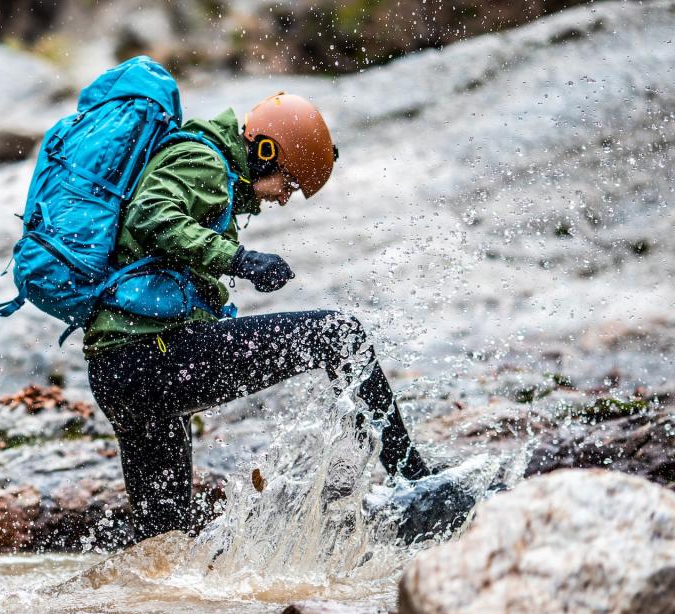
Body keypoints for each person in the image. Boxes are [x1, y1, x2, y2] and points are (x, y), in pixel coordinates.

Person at [85, 92, 436, 541]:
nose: (285, 200)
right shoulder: (202, 159)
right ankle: (414, 478)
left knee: (163, 545)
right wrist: (240, 259)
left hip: (122, 373)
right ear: (266, 150)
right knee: (338, 335)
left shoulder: (204, 165)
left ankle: (140, 610)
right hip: (151, 359)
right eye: (288, 184)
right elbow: (152, 215)